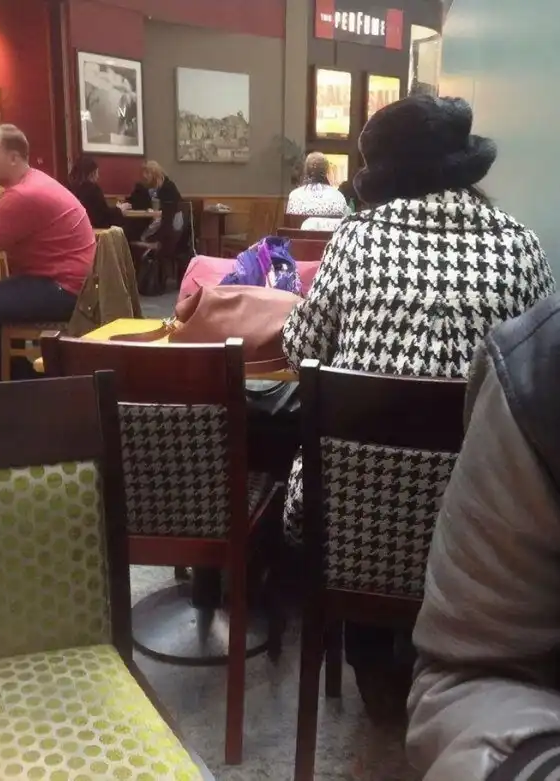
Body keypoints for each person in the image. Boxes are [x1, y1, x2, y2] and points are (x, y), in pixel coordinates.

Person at [281, 95, 556, 711]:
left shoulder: (356, 239)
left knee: (340, 480)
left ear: (382, 178)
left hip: (356, 516)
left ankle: (371, 665)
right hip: (486, 527)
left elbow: (302, 349)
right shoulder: (522, 246)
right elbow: (540, 377)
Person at [407, 293, 560, 781]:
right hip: (473, 527)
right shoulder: (526, 258)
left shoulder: (351, 251)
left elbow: (301, 343)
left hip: (361, 526)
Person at [0, 124, 96, 380]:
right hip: (70, 283)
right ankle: (19, 370)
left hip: (65, 289)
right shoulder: (31, 182)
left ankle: (27, 379)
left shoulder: (23, 195)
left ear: (14, 158)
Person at [68, 155, 131, 229]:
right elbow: (102, 217)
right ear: (92, 174)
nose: (98, 177)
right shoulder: (93, 190)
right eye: (97, 173)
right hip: (92, 231)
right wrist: (119, 210)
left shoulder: (69, 189)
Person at [286, 152, 348, 217]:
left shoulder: (294, 195)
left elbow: (289, 220)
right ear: (326, 171)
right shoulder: (337, 196)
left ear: (306, 171)